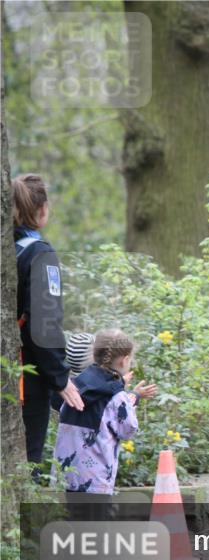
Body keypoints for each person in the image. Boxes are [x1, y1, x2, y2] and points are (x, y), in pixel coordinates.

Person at [13, 174, 84, 477]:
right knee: (25, 464)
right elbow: (43, 323)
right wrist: (60, 377)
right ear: (41, 211)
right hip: (23, 375)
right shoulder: (39, 253)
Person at [52, 330, 157, 504]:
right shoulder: (117, 395)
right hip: (95, 478)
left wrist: (125, 389)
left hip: (66, 473)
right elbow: (127, 429)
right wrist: (132, 396)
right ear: (124, 360)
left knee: (73, 522)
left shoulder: (72, 387)